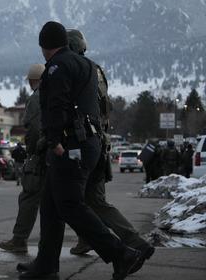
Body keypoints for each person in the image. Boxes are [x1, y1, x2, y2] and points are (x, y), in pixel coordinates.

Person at [18, 21, 143, 280]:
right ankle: (46, 265)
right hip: (90, 142)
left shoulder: (56, 67)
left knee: (71, 206)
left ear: (44, 46)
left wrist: (54, 142)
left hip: (69, 145)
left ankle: (122, 254)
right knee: (50, 206)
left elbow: (56, 106)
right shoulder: (87, 65)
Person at [66, 29, 155, 265]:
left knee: (73, 199)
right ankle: (89, 240)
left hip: (84, 144)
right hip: (100, 143)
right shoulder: (96, 70)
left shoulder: (76, 70)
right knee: (90, 200)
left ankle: (131, 243)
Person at [0, 64, 46, 253]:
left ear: (34, 80)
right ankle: (86, 238)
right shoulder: (58, 93)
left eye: (31, 81)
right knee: (66, 201)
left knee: (28, 197)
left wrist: (33, 153)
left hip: (41, 155)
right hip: (59, 155)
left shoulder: (36, 98)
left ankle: (19, 240)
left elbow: (34, 128)